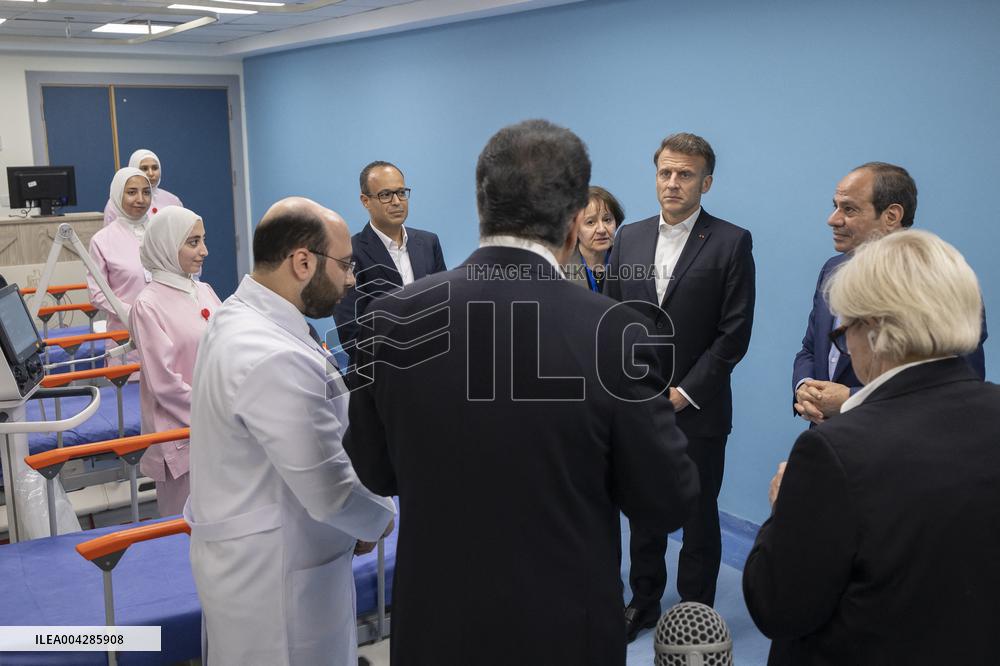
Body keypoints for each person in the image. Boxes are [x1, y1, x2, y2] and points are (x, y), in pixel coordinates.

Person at [344, 119, 699, 666]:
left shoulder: (391, 319)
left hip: (434, 625)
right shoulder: (614, 333)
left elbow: (374, 470)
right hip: (564, 629)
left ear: (482, 206)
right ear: (575, 221)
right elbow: (665, 498)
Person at [744, 229, 1000, 665]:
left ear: (874, 330)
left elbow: (776, 607)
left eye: (844, 331)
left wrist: (783, 510)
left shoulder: (834, 452)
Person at [185, 197, 396, 665]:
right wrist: (380, 518)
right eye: (345, 265)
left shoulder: (241, 316)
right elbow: (331, 490)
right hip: (278, 579)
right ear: (303, 262)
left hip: (261, 557)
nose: (351, 279)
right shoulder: (270, 353)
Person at [605, 132, 756, 638]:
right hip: (638, 404)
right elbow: (611, 319)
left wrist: (684, 393)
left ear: (705, 183)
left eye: (685, 174)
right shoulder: (628, 237)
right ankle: (644, 600)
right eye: (665, 172)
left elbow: (733, 333)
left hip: (700, 407)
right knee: (643, 509)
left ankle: (696, 610)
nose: (672, 182)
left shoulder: (731, 242)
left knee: (699, 513)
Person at [793, 162, 987, 424]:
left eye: (849, 209)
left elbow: (960, 384)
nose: (833, 219)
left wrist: (852, 399)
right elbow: (810, 348)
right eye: (835, 206)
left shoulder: (942, 282)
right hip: (828, 437)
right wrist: (804, 388)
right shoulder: (832, 269)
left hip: (901, 440)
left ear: (892, 216)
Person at [129, 206, 221, 517]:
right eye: (193, 242)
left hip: (220, 426)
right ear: (166, 245)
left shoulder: (203, 290)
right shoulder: (148, 305)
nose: (204, 251)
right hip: (183, 437)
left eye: (203, 240)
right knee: (186, 529)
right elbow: (164, 384)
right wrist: (214, 415)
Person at [333, 161, 446, 365]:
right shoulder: (349, 252)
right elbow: (350, 332)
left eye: (401, 193)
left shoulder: (429, 243)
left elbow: (444, 308)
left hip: (431, 368)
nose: (396, 201)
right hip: (378, 374)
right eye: (385, 195)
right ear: (365, 201)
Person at [87, 167, 152, 365]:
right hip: (125, 335)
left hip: (167, 331)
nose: (140, 199)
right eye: (131, 192)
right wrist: (132, 313)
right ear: (117, 194)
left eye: (146, 192)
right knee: (130, 383)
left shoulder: (162, 231)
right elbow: (97, 293)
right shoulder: (102, 240)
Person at [566, 186, 624, 292]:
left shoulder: (629, 263)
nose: (601, 230)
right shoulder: (559, 268)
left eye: (607, 220)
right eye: (590, 222)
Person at [104, 149, 182, 226]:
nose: (151, 173)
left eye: (155, 168)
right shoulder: (116, 204)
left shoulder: (173, 200)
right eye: (144, 168)